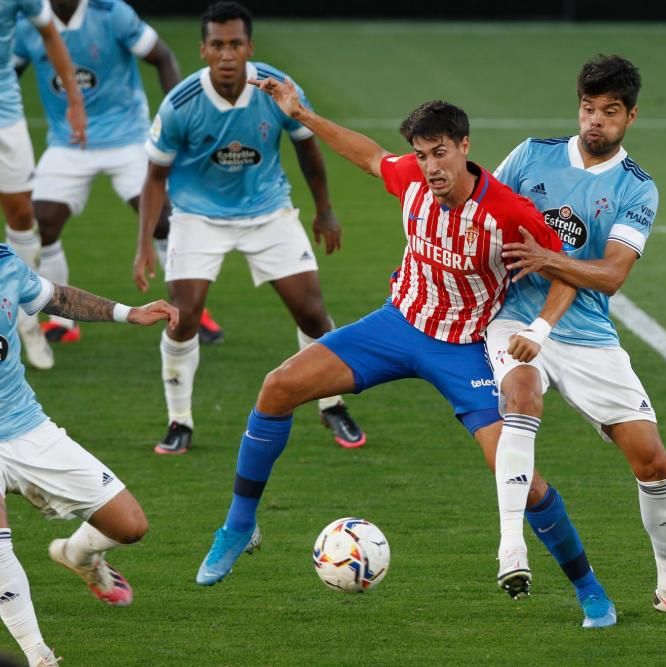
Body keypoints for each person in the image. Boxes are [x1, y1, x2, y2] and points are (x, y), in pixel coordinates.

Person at [193, 79, 589, 616]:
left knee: (523, 480)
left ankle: (588, 589)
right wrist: (302, 113)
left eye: (440, 153)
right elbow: (369, 156)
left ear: (465, 147)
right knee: (278, 387)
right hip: (396, 327)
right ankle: (238, 526)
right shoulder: (412, 180)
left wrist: (540, 328)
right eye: (422, 155)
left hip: (464, 350)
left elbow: (567, 271)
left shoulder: (508, 212)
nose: (430, 166)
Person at [488, 54, 666, 618]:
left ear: (631, 117)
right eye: (588, 108)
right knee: (521, 393)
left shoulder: (637, 188)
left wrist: (551, 257)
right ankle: (510, 546)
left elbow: (612, 274)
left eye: (610, 112)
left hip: (589, 335)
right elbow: (483, 215)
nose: (595, 121)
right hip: (515, 318)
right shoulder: (531, 156)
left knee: (652, 461)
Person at [132, 2, 364, 454]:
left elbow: (308, 150)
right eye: (217, 44)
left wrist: (324, 210)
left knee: (312, 313)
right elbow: (155, 176)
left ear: (249, 48)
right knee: (184, 317)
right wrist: (144, 243)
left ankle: (332, 405)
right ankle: (179, 420)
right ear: (203, 50)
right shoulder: (181, 103)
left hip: (268, 212)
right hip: (199, 217)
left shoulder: (277, 89)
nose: (226, 54)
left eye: (235, 44)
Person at [0, 242, 178, 666]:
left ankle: (78, 555)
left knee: (130, 525)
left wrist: (127, 312)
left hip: (26, 427)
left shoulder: (5, 263)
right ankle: (40, 656)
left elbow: (55, 297)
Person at [14, 0, 226, 347]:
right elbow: (10, 74)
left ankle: (192, 312)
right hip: (68, 143)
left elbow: (162, 56)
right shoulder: (28, 24)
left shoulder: (112, 14)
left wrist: (180, 119)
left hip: (127, 137)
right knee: (44, 221)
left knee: (162, 219)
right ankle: (63, 322)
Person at [0, 0, 86, 371]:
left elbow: (50, 31)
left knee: (22, 215)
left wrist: (74, 97)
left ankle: (26, 322)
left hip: (5, 114)